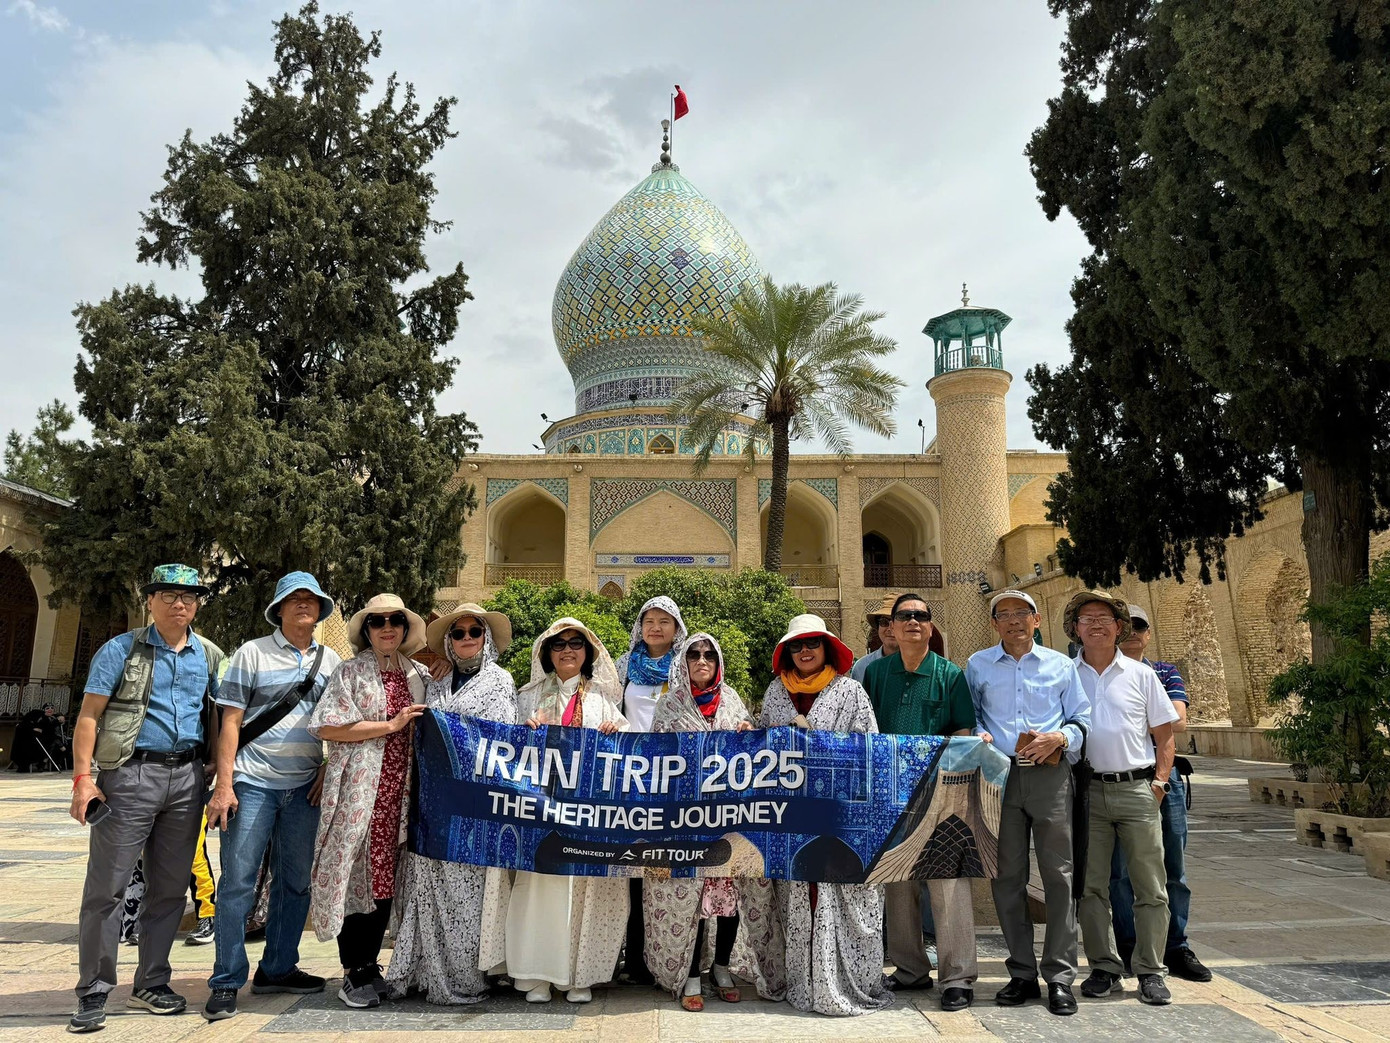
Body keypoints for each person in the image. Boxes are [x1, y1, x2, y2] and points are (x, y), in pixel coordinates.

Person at [67, 564, 226, 1033]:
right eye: (171, 595)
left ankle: (152, 981)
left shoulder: (210, 655)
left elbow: (220, 711)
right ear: (151, 600)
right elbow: (89, 716)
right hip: (130, 774)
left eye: (190, 596)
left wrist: (216, 764)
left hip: (187, 780)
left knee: (171, 888)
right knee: (107, 888)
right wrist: (83, 778)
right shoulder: (121, 650)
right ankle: (94, 989)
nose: (181, 604)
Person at [203, 571, 341, 1021]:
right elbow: (230, 722)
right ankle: (226, 979)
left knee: (295, 882)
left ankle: (278, 967)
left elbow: (337, 722)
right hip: (252, 783)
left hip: (303, 787)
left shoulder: (332, 661)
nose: (304, 604)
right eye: (294, 598)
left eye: (311, 599)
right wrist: (224, 785)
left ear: (321, 609)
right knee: (238, 882)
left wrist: (324, 767)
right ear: (279, 609)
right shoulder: (252, 654)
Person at [643, 632, 786, 1011]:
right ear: (684, 661)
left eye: (709, 654)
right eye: (694, 654)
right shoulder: (670, 705)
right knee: (688, 897)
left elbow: (756, 750)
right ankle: (690, 974)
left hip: (729, 819)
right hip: (685, 821)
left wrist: (748, 734)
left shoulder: (734, 701)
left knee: (728, 895)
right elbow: (653, 759)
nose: (702, 660)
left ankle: (721, 967)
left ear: (718, 661)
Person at [759, 614, 892, 1017]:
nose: (804, 651)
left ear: (827, 648)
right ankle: (804, 983)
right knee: (799, 899)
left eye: (812, 644)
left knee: (844, 896)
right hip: (792, 817)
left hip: (840, 816)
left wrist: (818, 744)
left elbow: (870, 751)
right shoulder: (775, 693)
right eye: (797, 645)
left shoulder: (850, 692)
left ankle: (848, 983)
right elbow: (763, 748)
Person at [966, 589, 1090, 1017]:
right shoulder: (978, 665)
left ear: (1037, 621)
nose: (1013, 620)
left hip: (1051, 776)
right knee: (1007, 877)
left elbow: (1081, 718)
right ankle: (1021, 972)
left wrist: (1060, 736)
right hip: (1000, 778)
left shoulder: (1060, 665)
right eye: (1004, 614)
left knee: (1059, 875)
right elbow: (975, 715)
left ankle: (1058, 976)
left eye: (1022, 613)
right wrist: (980, 734)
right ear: (994, 624)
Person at [386, 603, 517, 1004]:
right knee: (426, 889)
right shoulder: (436, 682)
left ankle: (465, 974)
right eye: (457, 634)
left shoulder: (500, 681)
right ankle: (421, 971)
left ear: (486, 638)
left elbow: (503, 740)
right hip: (433, 805)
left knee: (469, 894)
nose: (465, 639)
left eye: (473, 632)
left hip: (475, 809)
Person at [308, 593, 432, 1009]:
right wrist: (390, 725)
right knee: (356, 872)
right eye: (377, 622)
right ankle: (352, 969)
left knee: (384, 878)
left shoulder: (418, 675)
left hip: (400, 792)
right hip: (362, 790)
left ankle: (369, 964)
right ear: (367, 631)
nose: (387, 628)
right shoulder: (351, 672)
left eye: (394, 620)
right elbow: (327, 726)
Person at [505, 617, 629, 1004]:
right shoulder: (527, 698)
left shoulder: (602, 701)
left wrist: (615, 734)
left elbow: (628, 752)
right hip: (539, 815)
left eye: (576, 643)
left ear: (588, 653)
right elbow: (502, 751)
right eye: (558, 644)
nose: (567, 650)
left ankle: (579, 975)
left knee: (584, 892)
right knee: (539, 891)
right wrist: (520, 731)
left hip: (587, 818)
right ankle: (536, 976)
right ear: (547, 653)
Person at [863, 594, 977, 1012]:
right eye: (904, 616)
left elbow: (964, 729)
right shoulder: (877, 675)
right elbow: (866, 730)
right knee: (898, 885)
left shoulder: (949, 675)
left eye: (921, 616)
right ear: (890, 627)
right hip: (891, 795)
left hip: (941, 794)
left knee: (947, 884)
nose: (913, 621)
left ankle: (958, 976)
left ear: (930, 627)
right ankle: (910, 970)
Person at [1066, 590, 1178, 1007]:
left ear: (1119, 627)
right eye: (1086, 618)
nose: (1095, 623)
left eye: (1104, 618)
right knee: (1091, 885)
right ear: (1075, 629)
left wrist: (1159, 783)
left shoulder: (1141, 675)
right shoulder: (1065, 674)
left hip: (1137, 788)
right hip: (1087, 792)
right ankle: (1104, 967)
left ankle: (1150, 970)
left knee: (1150, 885)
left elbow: (1163, 734)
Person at [1109, 604, 1211, 983]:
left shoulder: (1164, 671)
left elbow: (1178, 721)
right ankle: (1129, 946)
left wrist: (1130, 720)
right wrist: (1150, 719)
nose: (1134, 632)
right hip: (1118, 782)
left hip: (1162, 781)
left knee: (1172, 866)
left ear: (1149, 633)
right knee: (1119, 871)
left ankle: (1175, 945)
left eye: (1141, 626)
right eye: (1129, 625)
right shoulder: (1099, 673)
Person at [614, 596, 687, 985]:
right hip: (631, 780)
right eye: (649, 621)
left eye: (664, 621)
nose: (655, 628)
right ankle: (634, 958)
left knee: (667, 866)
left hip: (674, 780)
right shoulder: (624, 666)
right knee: (631, 866)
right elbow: (609, 709)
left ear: (677, 628)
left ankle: (668, 957)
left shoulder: (684, 666)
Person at [850, 594, 898, 686]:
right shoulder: (862, 666)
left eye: (895, 623)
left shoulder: (922, 666)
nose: (890, 628)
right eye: (884, 622)